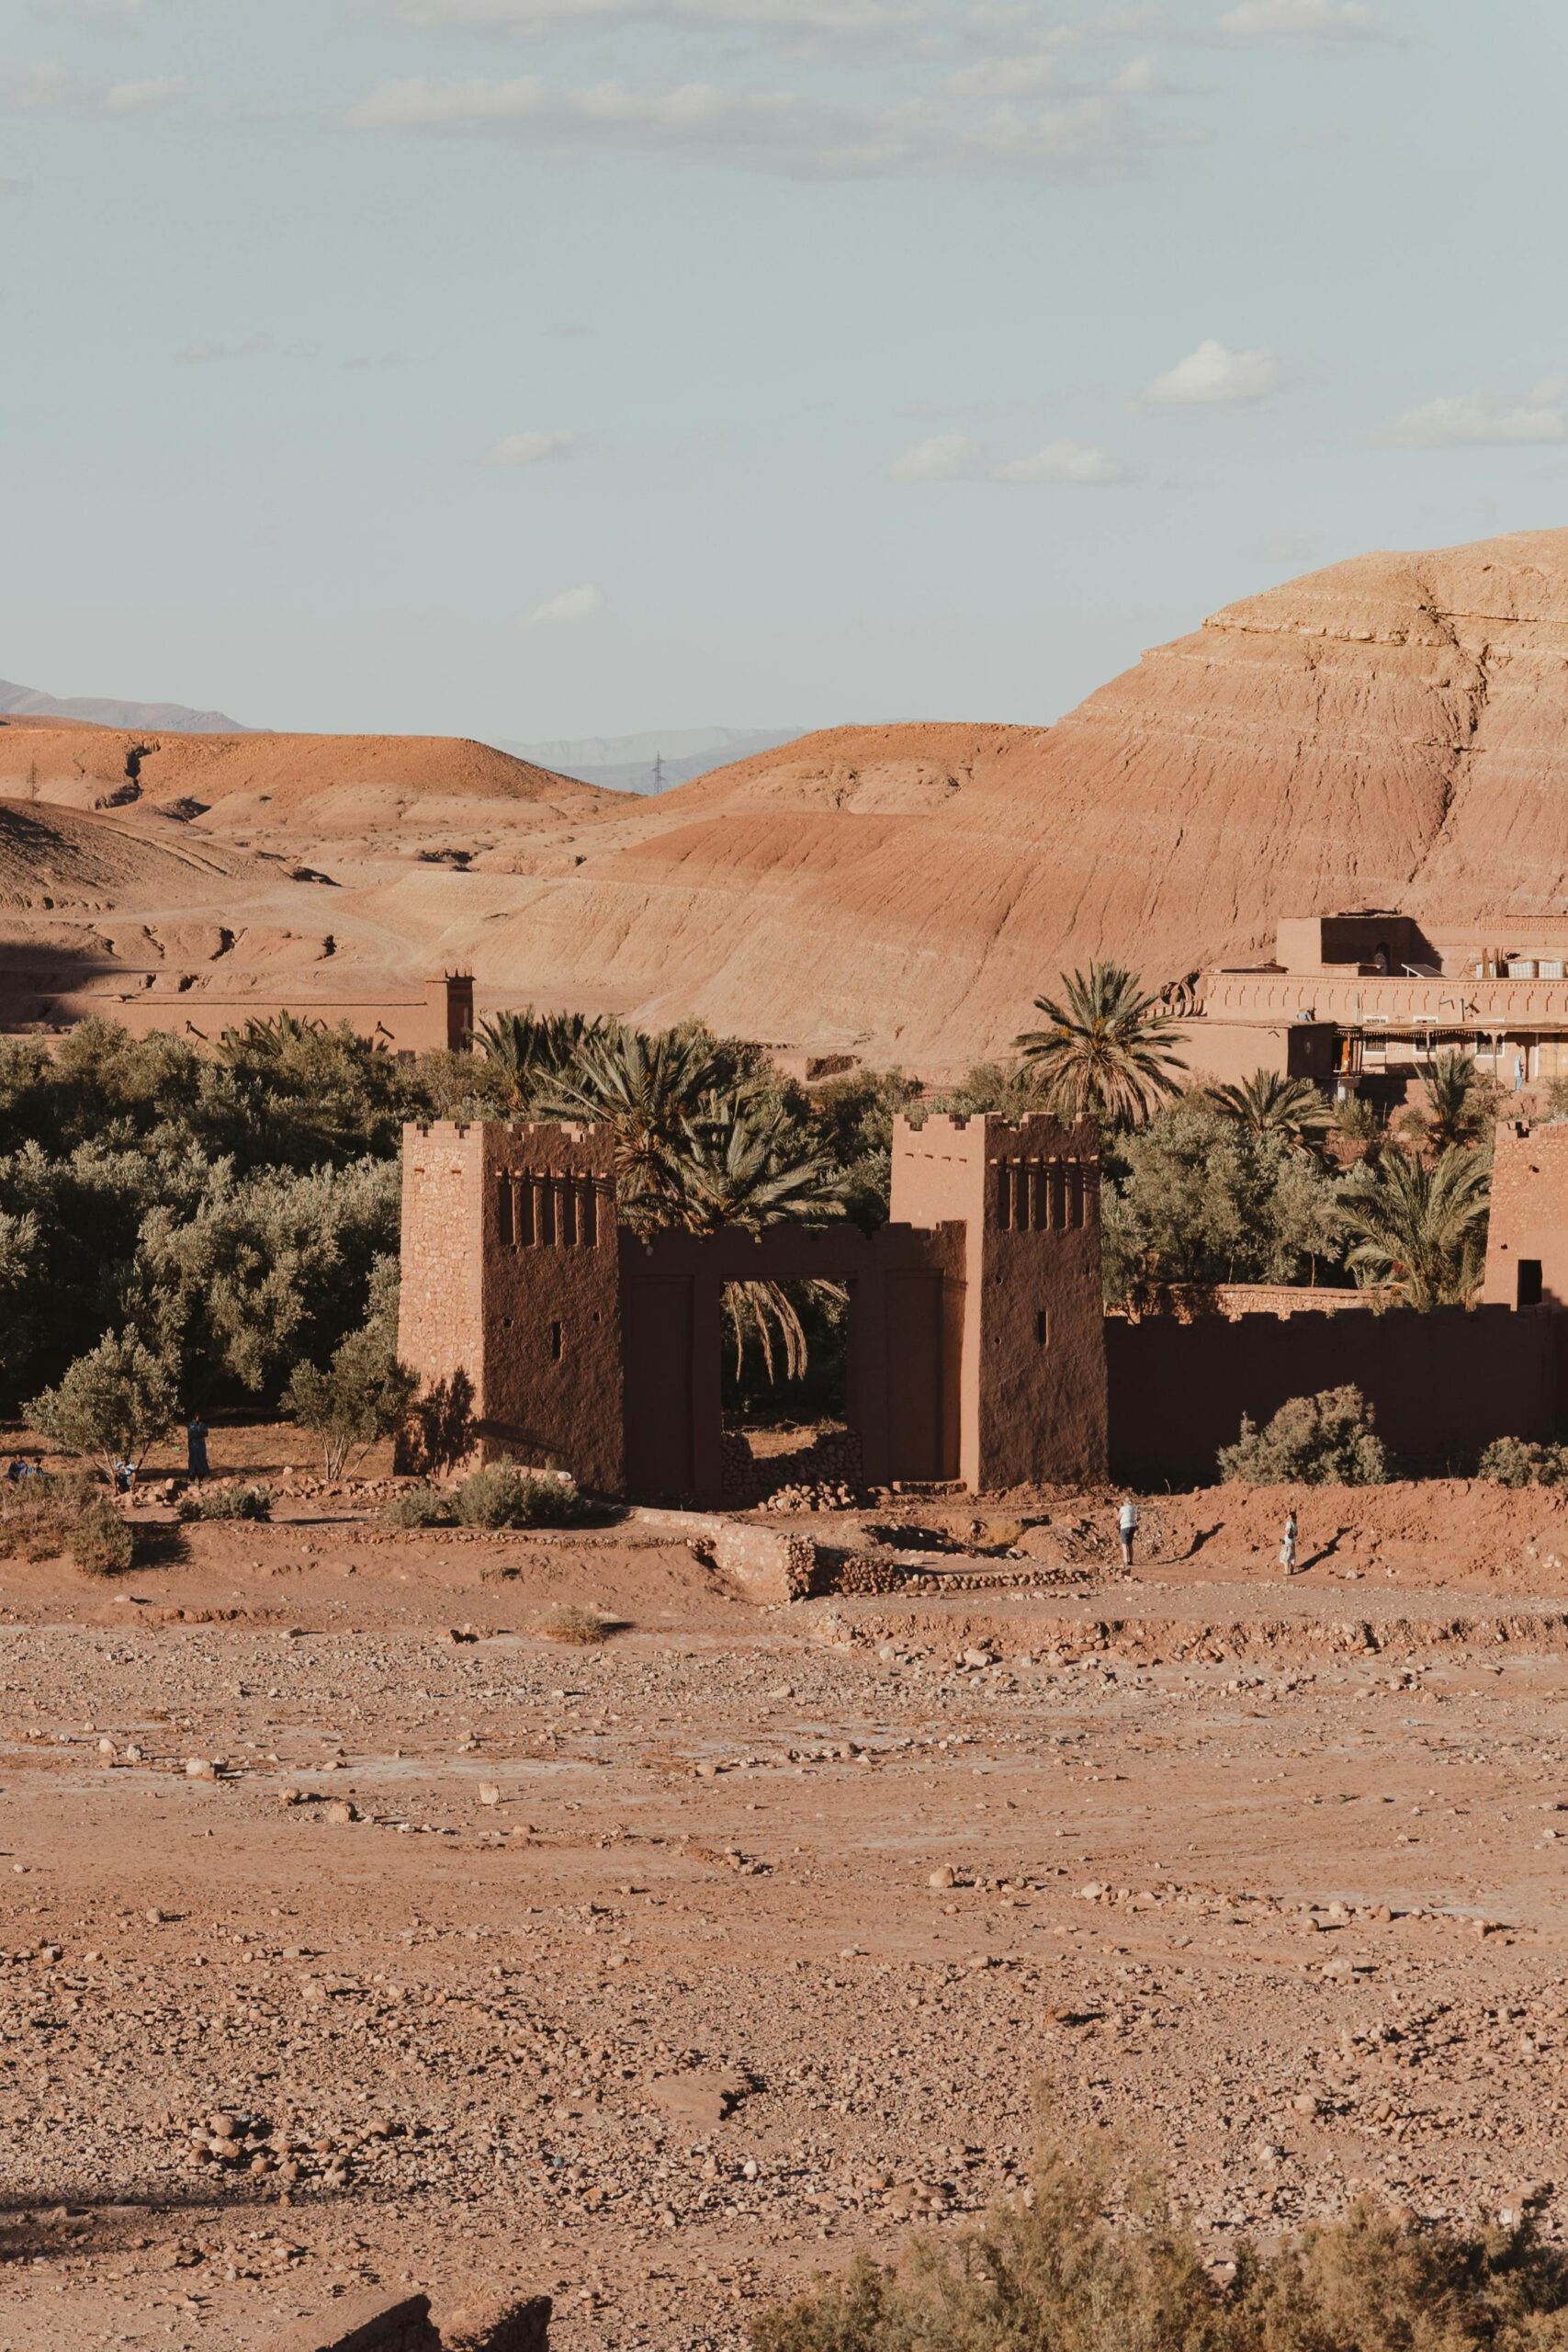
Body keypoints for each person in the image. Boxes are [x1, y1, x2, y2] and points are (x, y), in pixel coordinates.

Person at [186, 1413, 209, 1482]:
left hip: (201, 1446)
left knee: (201, 1459)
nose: (198, 1417)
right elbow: (192, 1433)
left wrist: (199, 1433)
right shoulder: (191, 1425)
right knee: (193, 1460)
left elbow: (206, 1433)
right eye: (196, 1416)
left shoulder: (202, 1424)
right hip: (193, 1445)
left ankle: (201, 1477)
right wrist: (199, 1433)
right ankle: (192, 1476)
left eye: (199, 1416)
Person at [1118, 1494, 1138, 1570]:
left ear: (1124, 1501)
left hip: (1125, 1526)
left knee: (1124, 1544)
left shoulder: (1123, 1509)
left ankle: (1126, 1561)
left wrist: (1115, 1511)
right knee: (1130, 1544)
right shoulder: (1133, 1508)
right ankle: (1131, 1561)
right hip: (1132, 1526)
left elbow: (1117, 1518)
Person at [1280, 1508, 1298, 1576]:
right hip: (1292, 1542)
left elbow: (1288, 1531)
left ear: (1290, 1517)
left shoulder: (1289, 1523)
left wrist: (1282, 1532)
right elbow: (1296, 1534)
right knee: (1292, 1556)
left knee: (1285, 1556)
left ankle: (1286, 1571)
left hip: (1287, 1541)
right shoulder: (1295, 1524)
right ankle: (1292, 1571)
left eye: (1289, 1516)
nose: (1288, 1517)